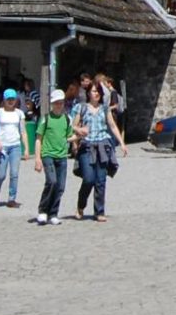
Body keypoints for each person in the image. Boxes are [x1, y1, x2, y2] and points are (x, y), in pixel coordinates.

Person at [72, 82, 124, 223]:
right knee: (88, 179)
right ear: (88, 93)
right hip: (87, 146)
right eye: (93, 91)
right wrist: (79, 131)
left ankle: (99, 211)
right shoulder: (81, 108)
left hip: (102, 146)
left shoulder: (104, 108)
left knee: (101, 180)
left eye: (98, 92)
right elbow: (73, 125)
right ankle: (80, 206)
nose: (95, 94)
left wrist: (122, 143)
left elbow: (112, 126)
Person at [33, 89, 79, 225]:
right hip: (48, 154)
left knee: (60, 186)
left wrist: (79, 135)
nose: (59, 105)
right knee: (51, 181)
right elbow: (38, 139)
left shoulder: (66, 118)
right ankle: (42, 210)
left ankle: (53, 212)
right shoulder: (46, 119)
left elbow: (69, 137)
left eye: (61, 102)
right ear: (52, 104)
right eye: (56, 103)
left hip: (62, 155)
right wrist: (37, 158)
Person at [0, 88, 31, 208]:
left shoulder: (19, 113)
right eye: (9, 99)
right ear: (4, 100)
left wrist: (26, 148)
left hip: (15, 146)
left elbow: (23, 132)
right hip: (2, 147)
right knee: (1, 174)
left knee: (14, 173)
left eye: (13, 99)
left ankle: (11, 198)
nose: (11, 101)